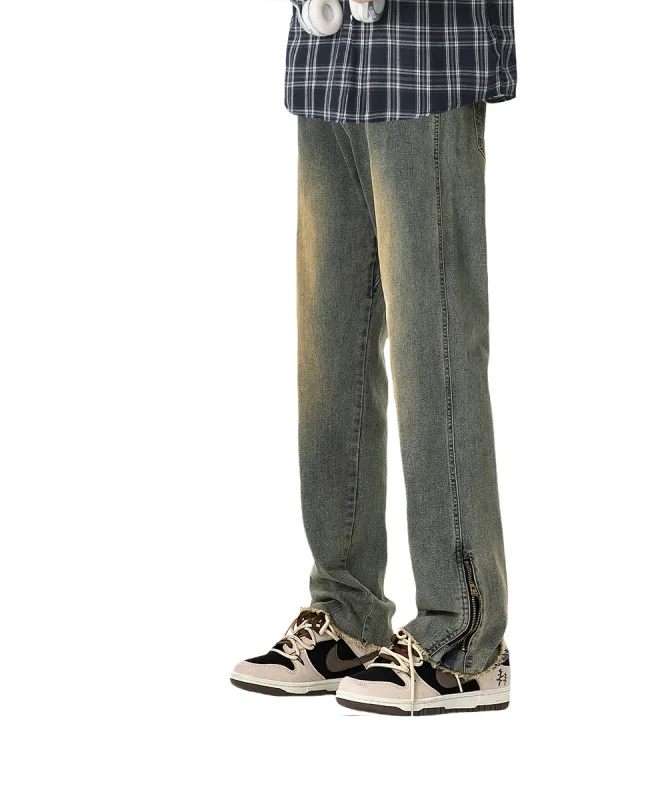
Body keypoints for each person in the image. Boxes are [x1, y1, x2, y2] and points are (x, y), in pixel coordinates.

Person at [230, 0, 516, 716]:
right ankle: (348, 614)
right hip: (327, 55)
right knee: (328, 344)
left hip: (424, 53)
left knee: (433, 342)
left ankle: (465, 641)